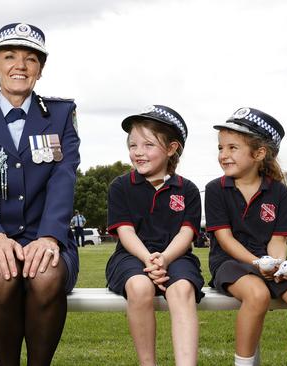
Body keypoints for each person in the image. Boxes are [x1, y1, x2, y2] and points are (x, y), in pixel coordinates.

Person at [0, 23, 80, 366]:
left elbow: (63, 178)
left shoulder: (62, 114)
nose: (19, 65)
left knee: (46, 272)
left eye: (30, 58)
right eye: (9, 56)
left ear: (40, 68)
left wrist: (51, 236)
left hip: (46, 238)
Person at [205, 107, 287, 366]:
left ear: (259, 153)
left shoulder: (278, 191)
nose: (223, 155)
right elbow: (225, 239)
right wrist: (258, 263)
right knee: (257, 295)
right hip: (230, 262)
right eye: (220, 148)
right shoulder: (216, 189)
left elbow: (278, 239)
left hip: (268, 260)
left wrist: (279, 264)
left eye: (232, 148)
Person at [106, 105, 204, 366]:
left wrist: (165, 259)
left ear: (171, 148)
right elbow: (125, 231)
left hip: (176, 256)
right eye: (133, 145)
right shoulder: (121, 186)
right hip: (131, 256)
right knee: (139, 287)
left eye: (148, 145)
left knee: (182, 289)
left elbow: (186, 233)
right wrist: (149, 259)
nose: (138, 152)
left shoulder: (188, 190)